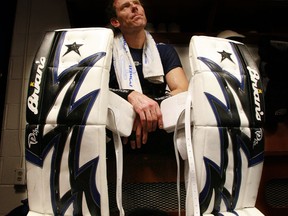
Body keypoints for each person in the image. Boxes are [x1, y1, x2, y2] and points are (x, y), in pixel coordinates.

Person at [106, 0, 188, 150]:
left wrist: (145, 107)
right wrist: (129, 95)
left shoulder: (164, 51)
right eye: (126, 6)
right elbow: (95, 91)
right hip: (119, 137)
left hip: (160, 133)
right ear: (115, 22)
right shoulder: (106, 54)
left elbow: (182, 90)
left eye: (137, 3)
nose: (134, 7)